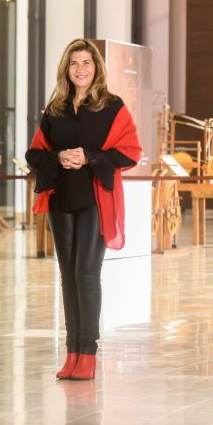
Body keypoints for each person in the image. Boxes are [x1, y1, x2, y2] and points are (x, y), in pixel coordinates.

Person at [25, 39, 141, 380]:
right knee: (67, 276)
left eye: (86, 63)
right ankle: (71, 351)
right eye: (74, 63)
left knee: (86, 275)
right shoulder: (55, 110)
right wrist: (58, 156)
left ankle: (88, 353)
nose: (80, 69)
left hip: (93, 200)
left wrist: (88, 156)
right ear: (66, 69)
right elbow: (34, 153)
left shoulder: (112, 106)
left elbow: (131, 151)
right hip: (61, 199)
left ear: (96, 68)